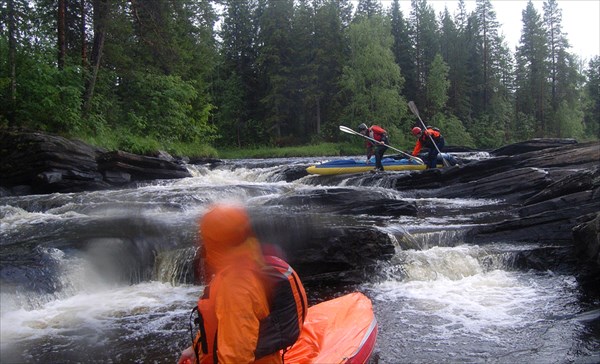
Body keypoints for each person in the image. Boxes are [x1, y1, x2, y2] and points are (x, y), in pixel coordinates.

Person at [178, 204, 305, 364]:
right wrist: (195, 348)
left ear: (214, 241)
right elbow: (224, 325)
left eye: (204, 237)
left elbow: (236, 357)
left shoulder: (236, 285)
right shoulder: (248, 261)